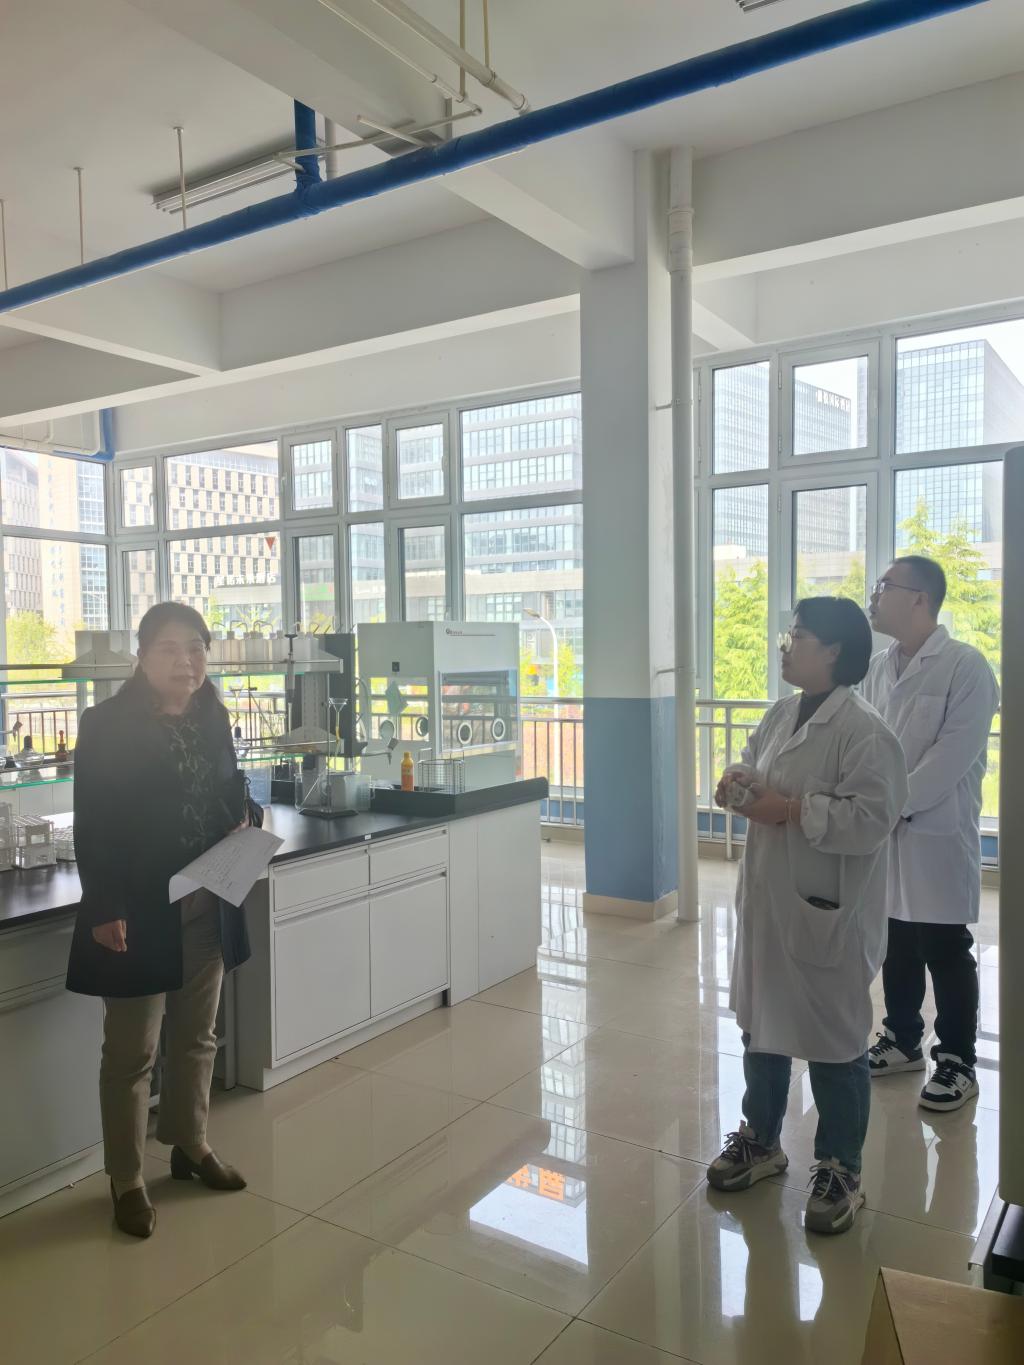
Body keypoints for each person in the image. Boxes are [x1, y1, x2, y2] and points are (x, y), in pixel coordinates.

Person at [709, 597, 908, 1235]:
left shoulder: (866, 731)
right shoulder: (781, 713)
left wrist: (792, 810)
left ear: (834, 651)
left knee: (834, 1040)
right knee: (760, 1022)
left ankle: (840, 1168)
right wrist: (739, 782)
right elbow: (757, 765)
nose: (785, 646)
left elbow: (873, 819)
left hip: (828, 913)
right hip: (768, 905)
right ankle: (762, 1140)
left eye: (797, 636)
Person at [67, 602, 255, 1239]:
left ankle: (190, 1144)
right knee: (132, 1051)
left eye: (196, 648)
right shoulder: (106, 724)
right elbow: (94, 822)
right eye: (171, 649)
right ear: (143, 656)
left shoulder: (212, 715)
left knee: (197, 1035)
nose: (186, 661)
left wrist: (246, 816)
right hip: (140, 906)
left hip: (209, 896)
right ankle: (126, 1177)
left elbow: (231, 787)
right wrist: (104, 906)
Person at [863, 555, 999, 1111]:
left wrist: (891, 805)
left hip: (935, 831)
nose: (874, 595)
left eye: (884, 586)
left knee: (944, 946)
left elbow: (951, 756)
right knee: (895, 939)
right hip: (886, 833)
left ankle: (958, 1059)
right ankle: (901, 1038)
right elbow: (866, 743)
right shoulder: (877, 668)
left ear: (919, 598)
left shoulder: (966, 666)